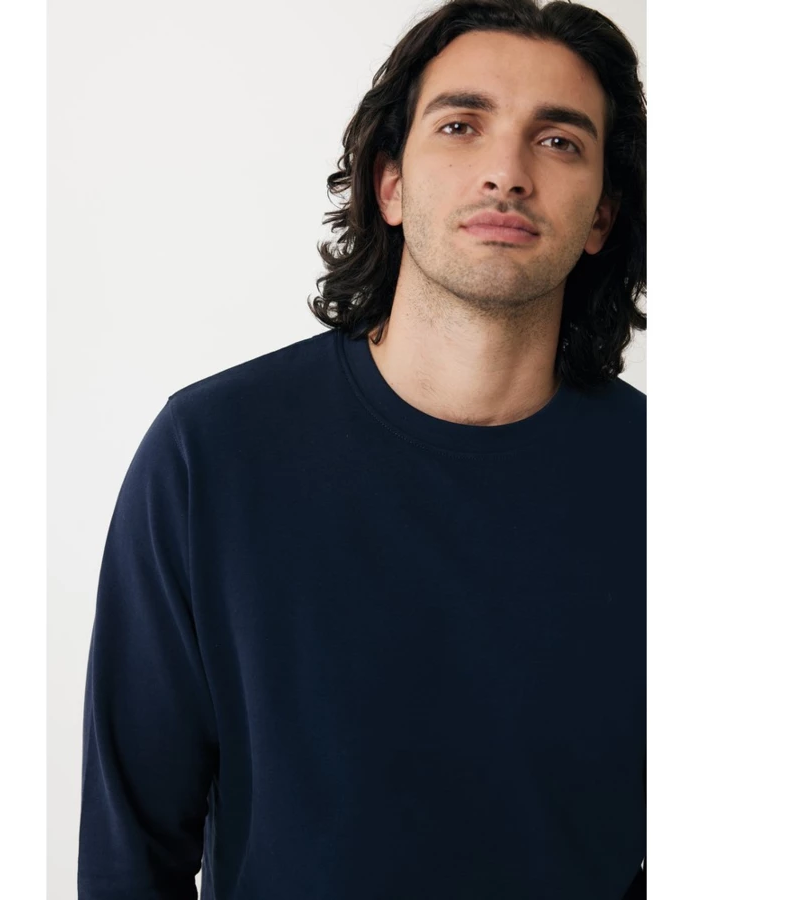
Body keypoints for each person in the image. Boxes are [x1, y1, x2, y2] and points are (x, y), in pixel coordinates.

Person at [77, 0, 647, 897]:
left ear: (603, 214)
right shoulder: (211, 456)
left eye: (559, 141)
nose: (506, 173)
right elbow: (129, 859)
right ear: (389, 184)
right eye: (461, 125)